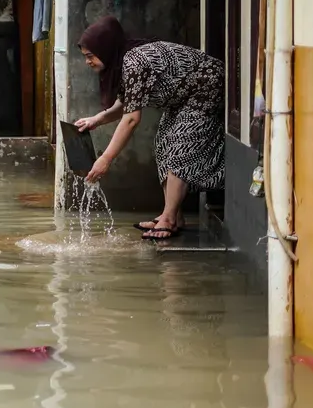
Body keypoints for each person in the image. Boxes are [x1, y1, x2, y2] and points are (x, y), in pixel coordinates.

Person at [73, 16, 224, 240]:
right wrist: (97, 119)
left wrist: (106, 159)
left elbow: (131, 119)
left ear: (105, 49)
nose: (88, 62)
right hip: (182, 98)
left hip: (207, 87)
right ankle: (173, 215)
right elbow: (126, 103)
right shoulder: (122, 63)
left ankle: (169, 219)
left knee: (180, 144)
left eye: (90, 56)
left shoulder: (134, 62)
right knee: (163, 142)